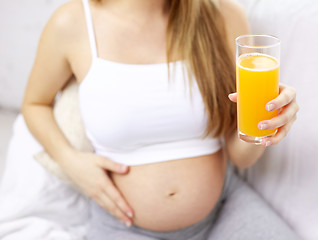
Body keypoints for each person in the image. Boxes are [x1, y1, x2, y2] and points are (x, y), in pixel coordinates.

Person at [1, 0, 299, 239]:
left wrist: (268, 126)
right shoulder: (72, 23)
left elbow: (241, 156)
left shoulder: (223, 15)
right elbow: (34, 103)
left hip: (226, 209)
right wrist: (70, 161)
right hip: (125, 225)